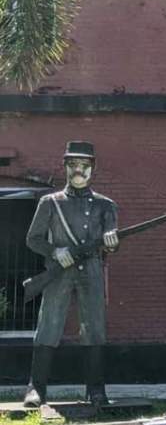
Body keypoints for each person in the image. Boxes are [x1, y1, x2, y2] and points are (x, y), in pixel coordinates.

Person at [24, 141, 119, 408]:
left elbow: (112, 242)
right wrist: (55, 251)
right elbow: (33, 239)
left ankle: (96, 390)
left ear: (93, 169)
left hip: (91, 268)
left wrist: (111, 241)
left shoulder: (106, 205)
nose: (79, 170)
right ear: (65, 167)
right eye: (73, 165)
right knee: (49, 325)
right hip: (60, 270)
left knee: (95, 328)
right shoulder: (50, 202)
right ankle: (36, 388)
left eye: (84, 166)